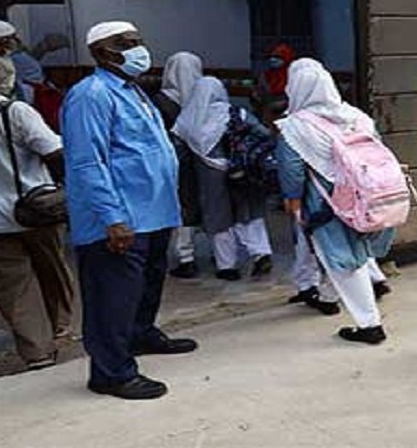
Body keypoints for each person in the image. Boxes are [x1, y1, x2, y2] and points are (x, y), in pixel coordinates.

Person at [62, 21, 197, 400]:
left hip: (154, 212)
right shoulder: (91, 95)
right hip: (121, 218)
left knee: (146, 284)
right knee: (113, 296)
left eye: (138, 41)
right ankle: (110, 373)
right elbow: (87, 162)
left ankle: (140, 334)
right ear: (101, 52)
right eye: (125, 43)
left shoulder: (133, 90)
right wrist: (113, 218)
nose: (138, 49)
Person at [276, 58, 393, 344]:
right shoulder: (356, 116)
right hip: (365, 196)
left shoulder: (295, 127)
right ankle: (328, 297)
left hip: (325, 202)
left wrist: (292, 201)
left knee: (341, 258)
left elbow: (291, 169)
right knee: (349, 252)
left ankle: (370, 325)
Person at [0, 56, 75, 370]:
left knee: (14, 288)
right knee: (53, 271)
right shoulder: (15, 111)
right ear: (10, 81)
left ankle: (37, 351)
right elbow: (54, 150)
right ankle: (60, 330)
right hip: (37, 209)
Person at [173, 76, 274, 281]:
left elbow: (179, 154)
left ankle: (227, 266)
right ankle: (260, 253)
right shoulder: (236, 113)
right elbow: (263, 134)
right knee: (247, 212)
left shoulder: (186, 121)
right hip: (242, 172)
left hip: (208, 176)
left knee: (218, 218)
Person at [152, 52, 204, 279]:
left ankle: (184, 257)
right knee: (194, 204)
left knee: (175, 205)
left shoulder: (160, 100)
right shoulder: (203, 97)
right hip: (202, 159)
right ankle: (220, 256)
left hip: (169, 161)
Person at [254, 43, 295, 123]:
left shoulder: (294, 74)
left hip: (288, 111)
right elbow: (259, 91)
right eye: (271, 57)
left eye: (278, 57)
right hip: (267, 108)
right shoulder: (265, 75)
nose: (272, 60)